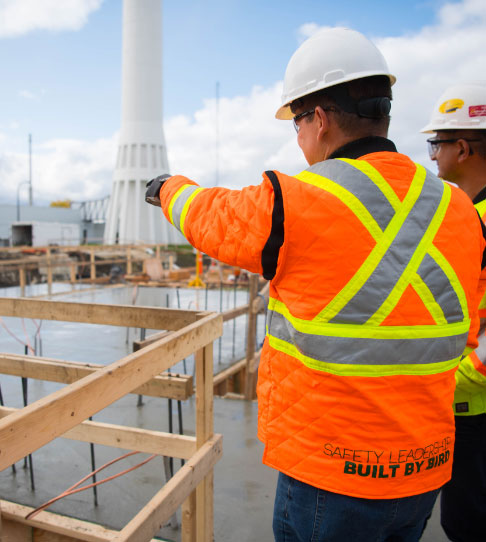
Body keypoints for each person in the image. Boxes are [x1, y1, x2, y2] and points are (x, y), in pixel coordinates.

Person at [146, 28, 486, 541]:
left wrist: (166, 188)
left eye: (298, 123)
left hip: (331, 473)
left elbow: (210, 215)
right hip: (425, 468)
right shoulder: (460, 210)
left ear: (320, 120)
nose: (299, 138)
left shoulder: (297, 201)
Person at [421, 82, 486, 542]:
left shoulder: (479, 220)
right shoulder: (469, 212)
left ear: (461, 147)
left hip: (474, 404)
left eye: (436, 144)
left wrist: (451, 382)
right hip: (467, 397)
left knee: (468, 520)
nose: (432, 157)